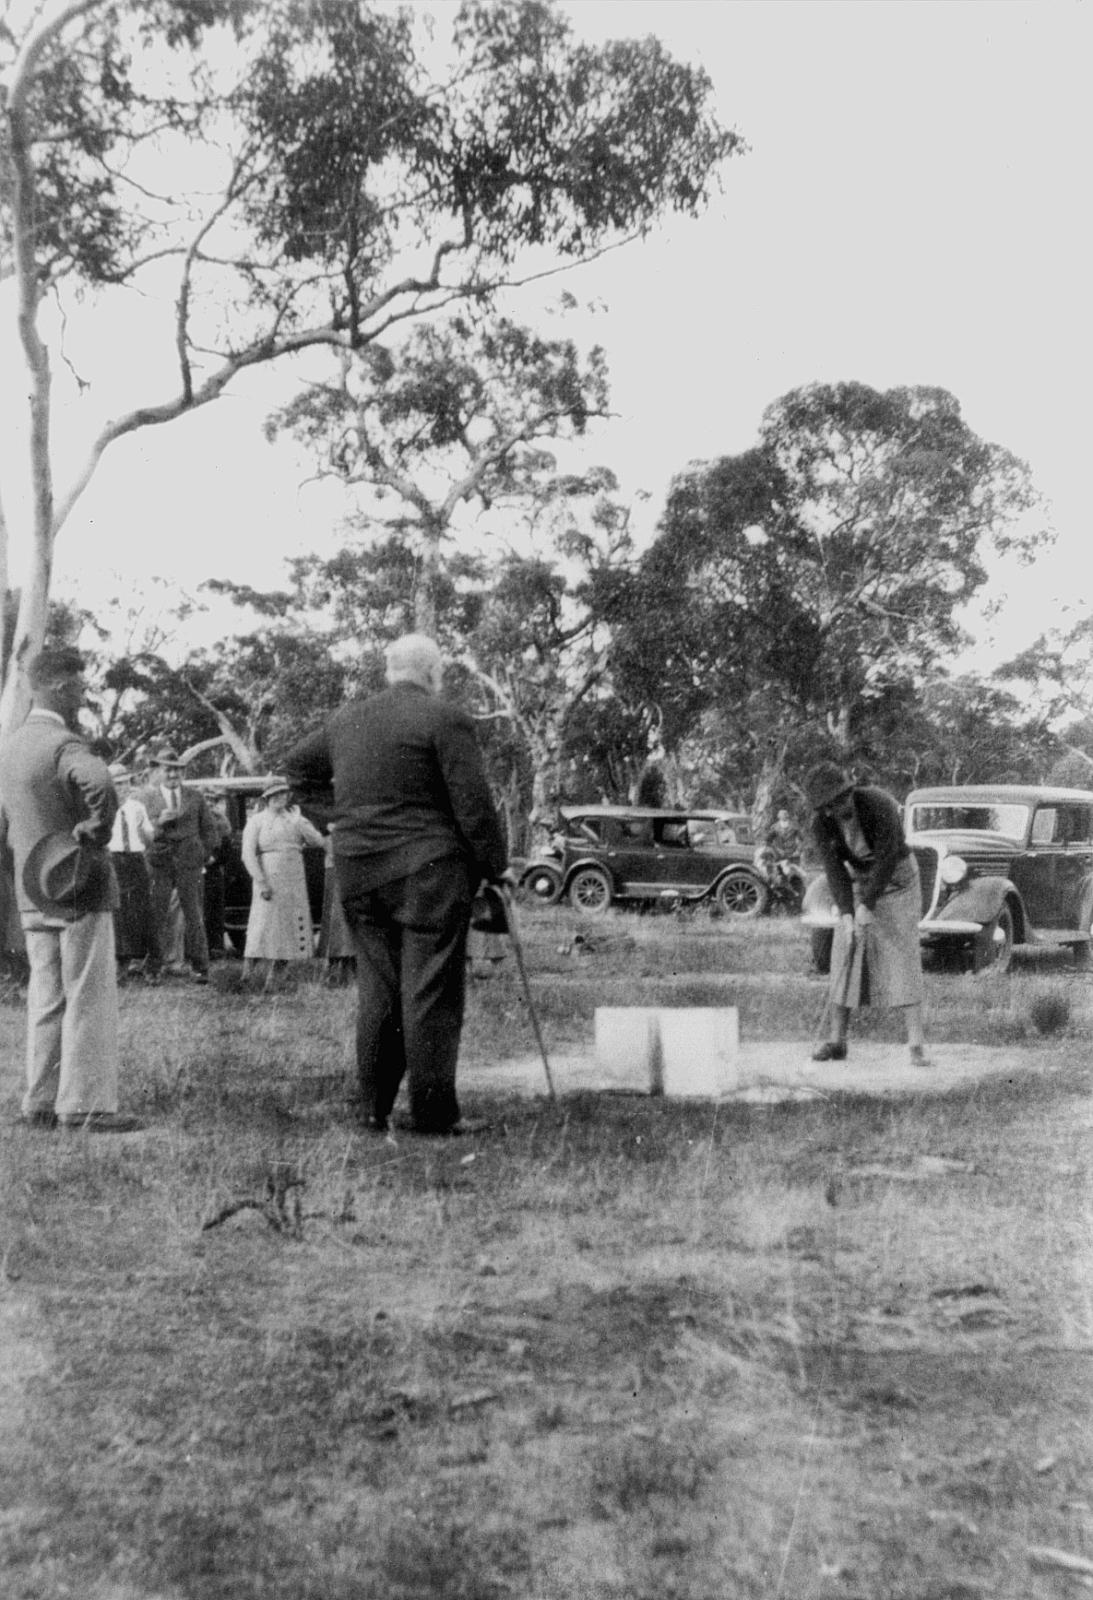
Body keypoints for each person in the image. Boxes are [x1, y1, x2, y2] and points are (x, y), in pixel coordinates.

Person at [285, 633, 510, 1136]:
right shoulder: (446, 718)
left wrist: (337, 819)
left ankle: (373, 1109)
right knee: (430, 990)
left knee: (379, 992)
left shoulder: (347, 719)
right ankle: (432, 1113)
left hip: (359, 872)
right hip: (428, 872)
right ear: (433, 672)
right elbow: (473, 804)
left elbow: (298, 770)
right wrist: (497, 865)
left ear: (389, 671)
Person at [0, 647, 142, 1131]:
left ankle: (38, 1102)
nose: (84, 694)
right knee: (88, 993)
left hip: (31, 890)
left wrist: (20, 868)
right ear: (59, 687)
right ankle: (85, 1106)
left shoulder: (10, 747)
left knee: (46, 995)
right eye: (80, 686)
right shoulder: (64, 743)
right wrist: (96, 830)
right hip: (79, 886)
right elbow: (100, 782)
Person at [804, 760, 930, 1067]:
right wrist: (848, 914)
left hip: (898, 880)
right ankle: (837, 1042)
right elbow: (835, 871)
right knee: (843, 949)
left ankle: (916, 1046)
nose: (842, 805)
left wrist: (867, 906)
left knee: (902, 954)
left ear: (850, 790)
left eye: (844, 796)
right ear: (824, 808)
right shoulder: (822, 825)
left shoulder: (878, 803)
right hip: (860, 879)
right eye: (833, 803)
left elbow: (887, 858)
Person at [139, 750, 218, 984]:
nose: (173, 774)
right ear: (158, 771)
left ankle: (200, 967)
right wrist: (158, 823)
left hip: (189, 864)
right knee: (157, 914)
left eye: (177, 769)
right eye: (168, 769)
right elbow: (140, 832)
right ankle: (153, 968)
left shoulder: (195, 797)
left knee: (194, 914)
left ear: (183, 772)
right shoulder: (145, 798)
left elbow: (210, 830)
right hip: (159, 863)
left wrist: (202, 854)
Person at [240, 779, 325, 988]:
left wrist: (299, 822)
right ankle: (247, 976)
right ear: (266, 798)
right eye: (275, 794)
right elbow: (247, 854)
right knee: (262, 926)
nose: (280, 798)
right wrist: (261, 882)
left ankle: (275, 979)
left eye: (284, 794)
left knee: (289, 927)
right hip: (268, 876)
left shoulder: (295, 819)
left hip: (293, 878)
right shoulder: (257, 821)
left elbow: (317, 841)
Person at [107, 762, 159, 981]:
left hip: (135, 860)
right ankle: (121, 964)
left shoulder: (136, 808)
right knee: (118, 912)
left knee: (142, 910)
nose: (123, 788)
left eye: (126, 783)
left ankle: (151, 965)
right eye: (117, 784)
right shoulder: (103, 809)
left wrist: (142, 832)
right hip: (114, 860)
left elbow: (149, 838)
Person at [202, 790, 235, 961]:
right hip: (197, 871)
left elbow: (227, 850)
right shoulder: (195, 820)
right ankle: (200, 950)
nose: (209, 803)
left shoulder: (222, 822)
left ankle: (216, 948)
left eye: (212, 800)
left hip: (214, 872)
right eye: (206, 799)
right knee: (201, 911)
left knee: (216, 911)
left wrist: (215, 859)